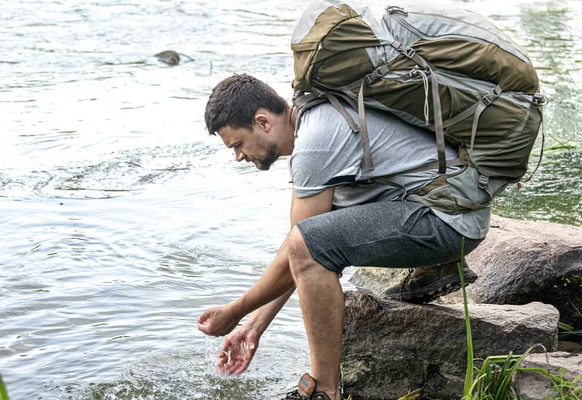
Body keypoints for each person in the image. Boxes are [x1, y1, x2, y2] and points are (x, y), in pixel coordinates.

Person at [197, 74, 490, 400]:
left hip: (446, 223)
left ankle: (324, 389)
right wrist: (252, 327)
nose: (238, 156)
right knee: (312, 240)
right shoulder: (319, 113)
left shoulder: (315, 143)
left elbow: (301, 249)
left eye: (237, 144)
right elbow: (301, 251)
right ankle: (441, 265)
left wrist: (236, 313)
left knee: (307, 244)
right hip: (454, 209)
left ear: (263, 121)